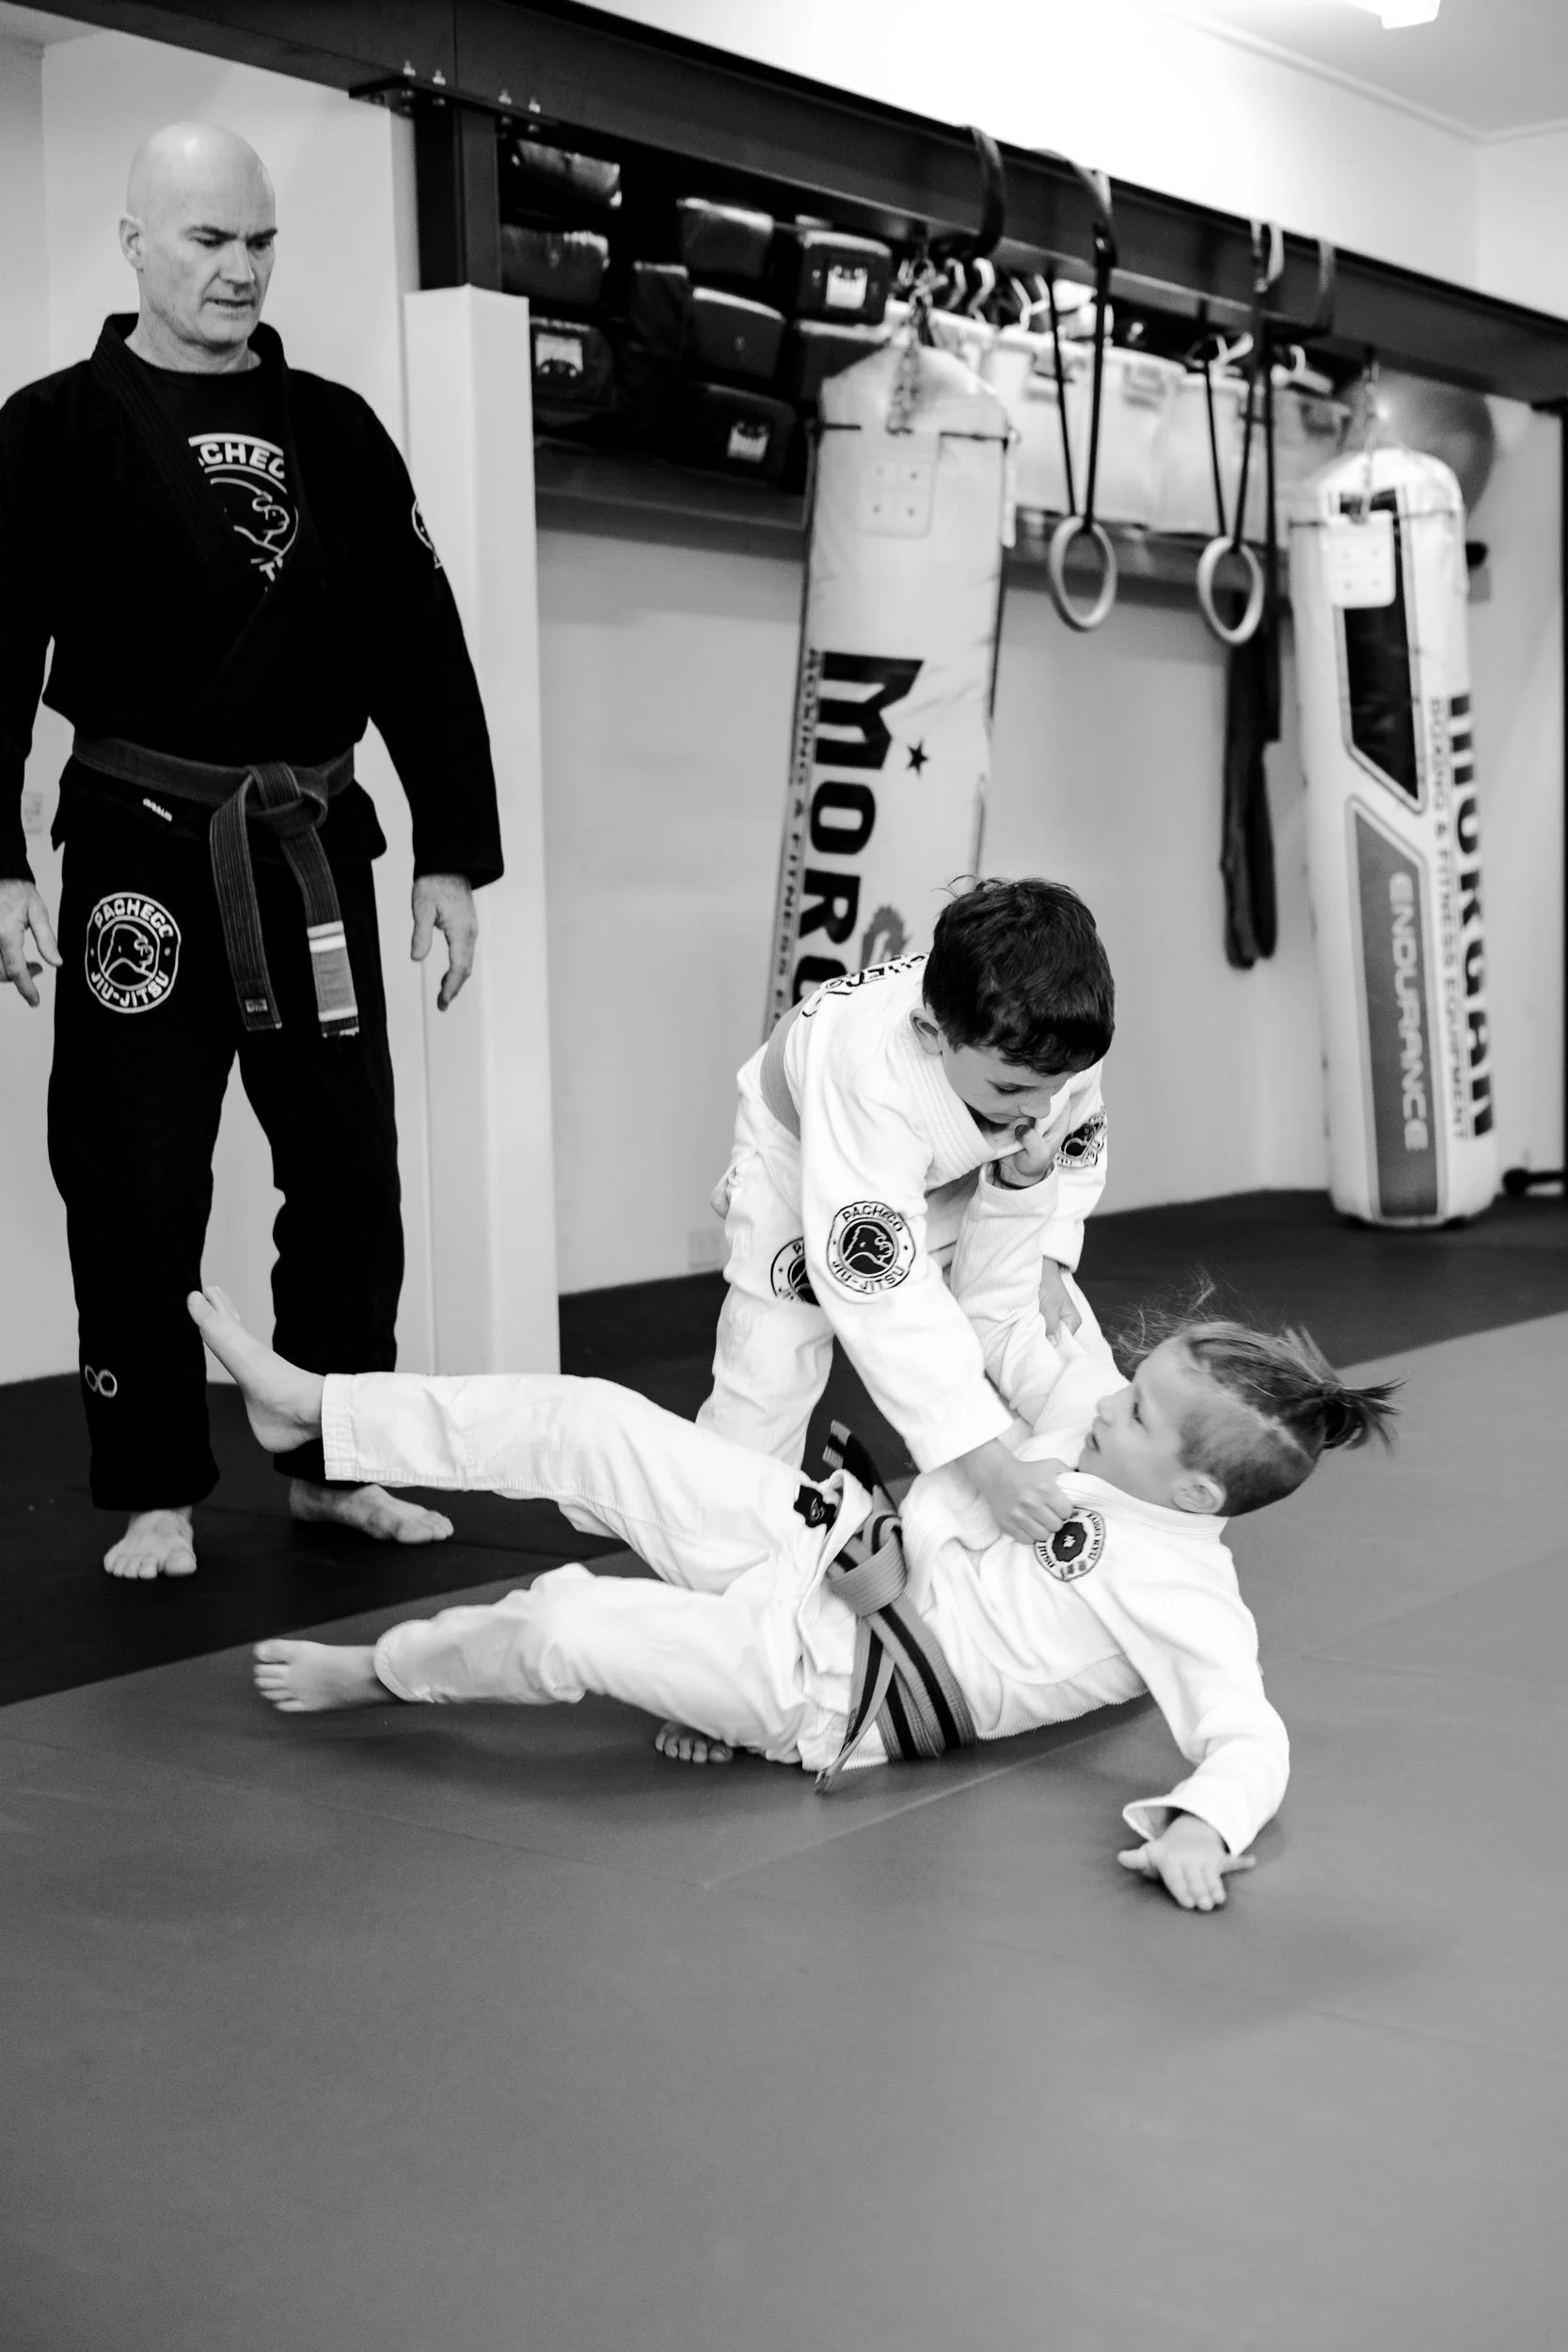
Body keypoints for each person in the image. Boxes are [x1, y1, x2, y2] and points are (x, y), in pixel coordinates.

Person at [188, 1256, 1397, 1915]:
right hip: (824, 1540)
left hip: (832, 1685)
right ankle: (319, 1410)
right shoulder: (1101, 1422)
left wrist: (1204, 1821)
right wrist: (1036, 1264)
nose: (1109, 1400)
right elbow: (1057, 1338)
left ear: (1194, 1495)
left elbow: (1245, 1731)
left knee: (564, 1618)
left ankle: (384, 1672)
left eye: (1136, 1412)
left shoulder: (1184, 1592)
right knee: (590, 1419)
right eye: (1130, 1381)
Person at [0, 123, 503, 1581]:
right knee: (137, 1171)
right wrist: (4, 863)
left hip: (307, 844)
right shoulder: (51, 430)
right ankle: (157, 1483)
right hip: (138, 848)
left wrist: (449, 856)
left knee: (349, 1166)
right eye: (209, 240)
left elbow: (421, 645)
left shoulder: (334, 428)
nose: (238, 269)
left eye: (259, 242)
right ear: (137, 242)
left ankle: (331, 1463)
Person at [697, 877, 1115, 1549]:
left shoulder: (1052, 1041)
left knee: (1043, 1326)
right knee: (771, 1362)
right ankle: (717, 1544)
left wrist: (1046, 1253)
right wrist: (987, 1463)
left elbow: (1072, 1144)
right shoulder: (871, 1076)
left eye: (1055, 1086)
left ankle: (1078, 1527)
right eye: (1015, 1087)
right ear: (932, 1033)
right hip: (803, 1150)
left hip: (956, 1153)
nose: (1040, 1108)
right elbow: (884, 1296)